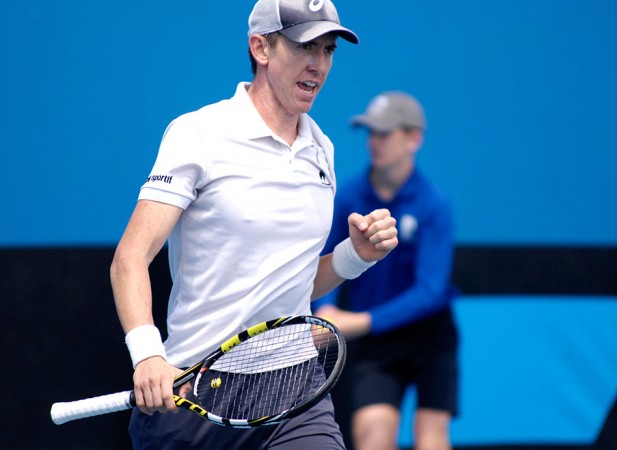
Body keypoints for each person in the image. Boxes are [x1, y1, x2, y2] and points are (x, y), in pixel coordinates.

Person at [109, 2, 398, 449]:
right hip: (197, 390)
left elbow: (291, 281)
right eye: (305, 47)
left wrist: (353, 256)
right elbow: (130, 258)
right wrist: (148, 355)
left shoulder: (322, 149)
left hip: (294, 386)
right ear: (261, 47)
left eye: (328, 50)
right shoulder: (198, 134)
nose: (318, 65)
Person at [314, 91, 459, 450]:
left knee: (431, 440)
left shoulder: (434, 205)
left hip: (430, 339)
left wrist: (359, 322)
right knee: (373, 439)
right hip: (376, 347)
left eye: (385, 133)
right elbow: (327, 257)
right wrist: (326, 311)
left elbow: (430, 291)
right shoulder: (348, 197)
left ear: (414, 138)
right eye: (371, 134)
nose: (374, 143)